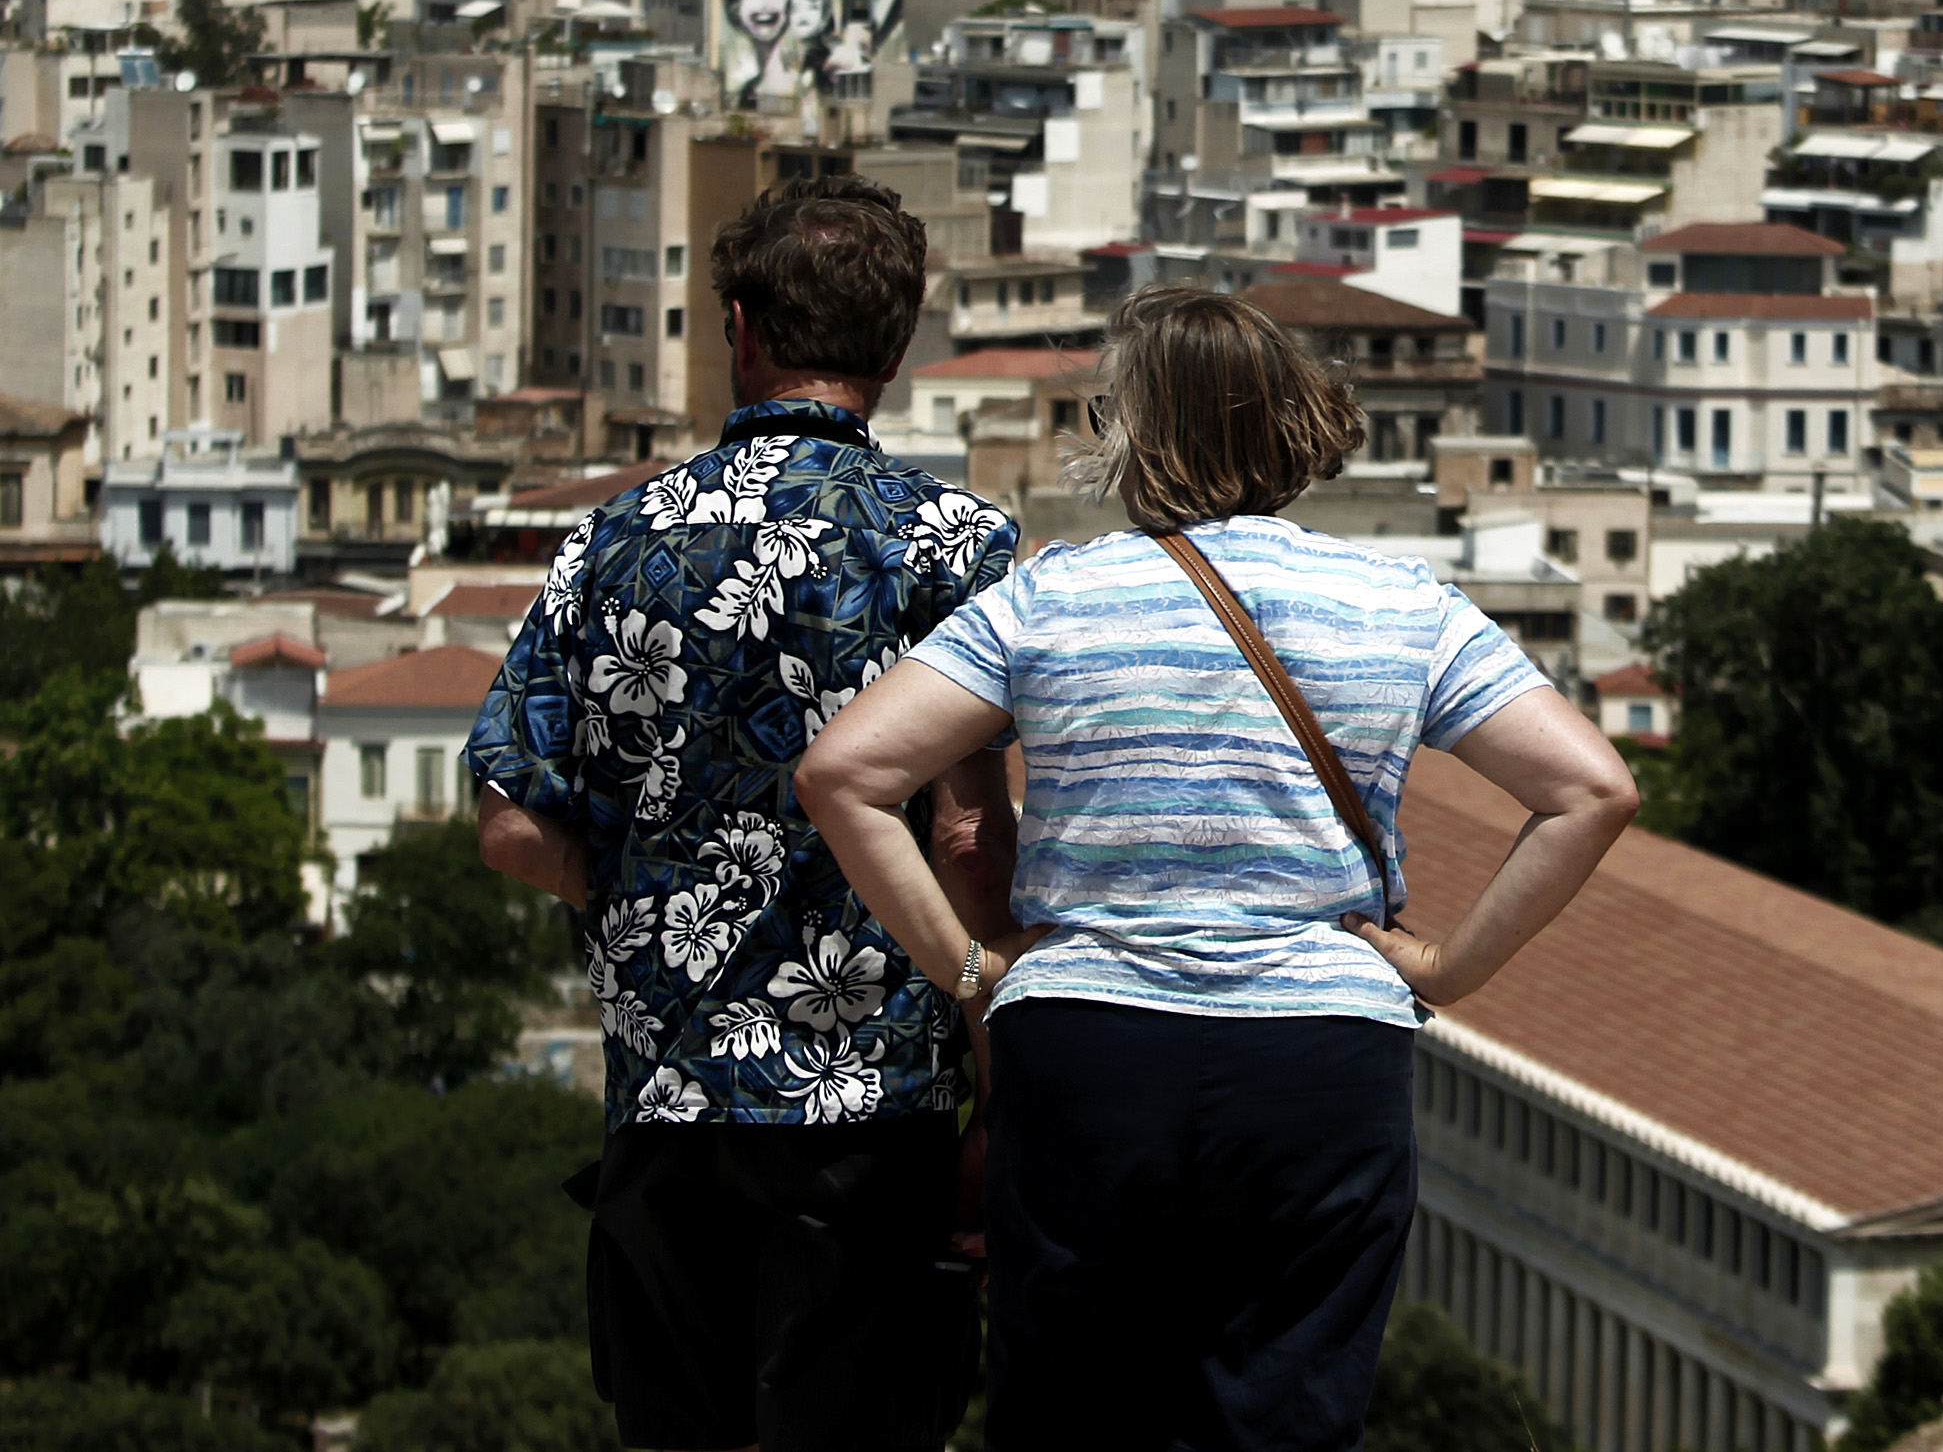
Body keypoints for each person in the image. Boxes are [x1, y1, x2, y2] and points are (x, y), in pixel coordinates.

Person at [801, 286, 1640, 1452]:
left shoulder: (1052, 596)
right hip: (1319, 1054)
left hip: (1088, 1045)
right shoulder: (1401, 605)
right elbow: (1592, 790)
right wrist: (1443, 969)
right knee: (1286, 1410)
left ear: (1130, 433)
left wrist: (970, 970)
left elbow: (844, 773)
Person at [469, 175, 1021, 1452]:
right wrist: (999, 1095)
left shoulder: (613, 538)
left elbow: (508, 822)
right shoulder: (952, 546)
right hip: (873, 1102)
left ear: (741, 324)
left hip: (662, 1106)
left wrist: (640, 902)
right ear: (895, 343)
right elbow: (970, 837)